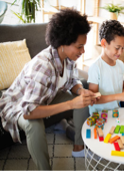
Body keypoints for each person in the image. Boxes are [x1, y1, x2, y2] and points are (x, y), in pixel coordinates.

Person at [0, 8, 97, 171]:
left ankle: (79, 148)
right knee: (34, 124)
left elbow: (72, 81)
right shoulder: (43, 66)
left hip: (45, 97)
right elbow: (28, 111)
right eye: (79, 46)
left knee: (83, 101)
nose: (83, 51)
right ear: (63, 43)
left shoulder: (69, 58)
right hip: (18, 104)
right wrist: (70, 105)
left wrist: (81, 91)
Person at [88, 20, 124, 114]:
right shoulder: (96, 68)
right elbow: (93, 98)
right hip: (99, 116)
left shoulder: (120, 65)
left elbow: (120, 90)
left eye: (123, 48)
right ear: (104, 43)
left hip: (115, 114)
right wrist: (119, 96)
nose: (120, 52)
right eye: (117, 48)